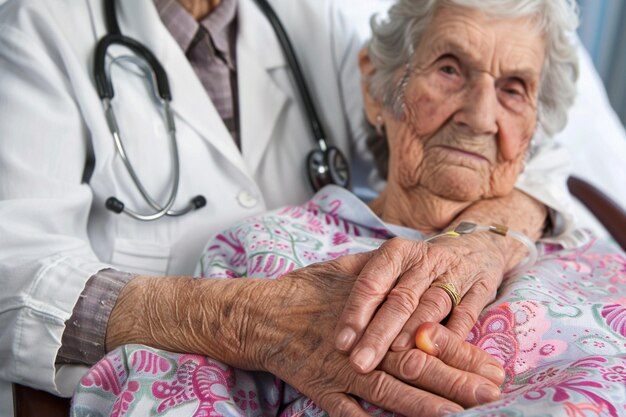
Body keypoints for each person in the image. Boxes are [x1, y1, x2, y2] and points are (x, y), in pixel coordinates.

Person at [0, 0, 580, 416]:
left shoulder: (308, 18)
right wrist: (252, 319)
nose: (484, 111)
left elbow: (517, 148)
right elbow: (12, 275)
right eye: (453, 70)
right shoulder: (39, 24)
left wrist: (483, 240)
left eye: (511, 89)